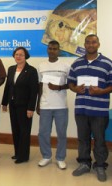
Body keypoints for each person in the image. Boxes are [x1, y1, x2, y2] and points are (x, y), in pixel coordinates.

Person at [67, 34, 112, 182]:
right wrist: (75, 89)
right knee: (83, 139)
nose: (90, 45)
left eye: (93, 42)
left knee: (99, 139)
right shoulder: (76, 63)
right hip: (81, 109)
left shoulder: (108, 63)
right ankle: (84, 163)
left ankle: (100, 165)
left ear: (98, 44)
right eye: (88, 42)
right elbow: (70, 82)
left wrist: (101, 91)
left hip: (99, 110)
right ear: (84, 44)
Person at [2, 47, 38, 164]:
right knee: (15, 129)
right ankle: (17, 153)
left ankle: (24, 156)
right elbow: (8, 87)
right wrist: (4, 103)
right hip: (13, 105)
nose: (18, 56)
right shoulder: (11, 69)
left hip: (25, 106)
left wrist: (31, 108)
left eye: (21, 55)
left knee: (24, 131)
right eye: (16, 54)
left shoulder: (31, 70)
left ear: (25, 56)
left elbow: (34, 91)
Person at [36, 40, 70, 169]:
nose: (52, 51)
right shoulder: (41, 66)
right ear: (47, 50)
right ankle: (46, 156)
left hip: (61, 105)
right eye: (50, 48)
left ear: (59, 50)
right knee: (43, 133)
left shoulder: (66, 66)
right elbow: (40, 86)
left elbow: (71, 84)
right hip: (45, 105)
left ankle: (60, 158)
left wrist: (59, 87)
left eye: (55, 49)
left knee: (61, 133)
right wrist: (38, 103)